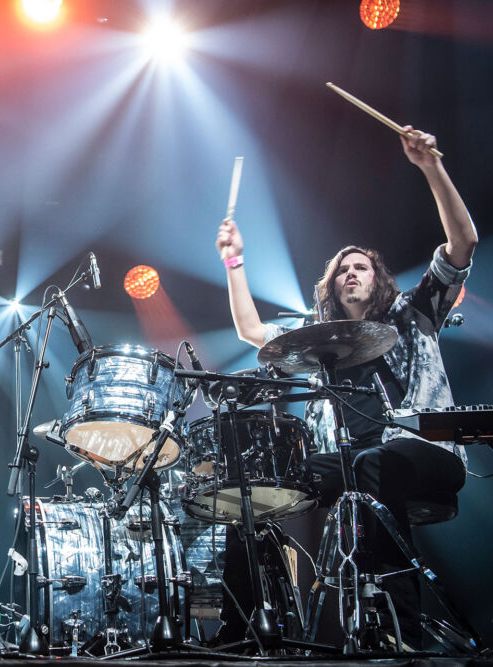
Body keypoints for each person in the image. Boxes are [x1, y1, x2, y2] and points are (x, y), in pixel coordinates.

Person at [213, 127, 477, 647]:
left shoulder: (414, 314)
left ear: (378, 279)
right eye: (342, 270)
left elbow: (462, 243)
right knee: (257, 485)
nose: (351, 274)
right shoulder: (320, 342)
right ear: (330, 287)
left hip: (424, 453)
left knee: (376, 461)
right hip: (350, 461)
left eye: (361, 267)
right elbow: (251, 331)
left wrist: (430, 167)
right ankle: (244, 626)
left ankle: (397, 626)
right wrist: (233, 261)